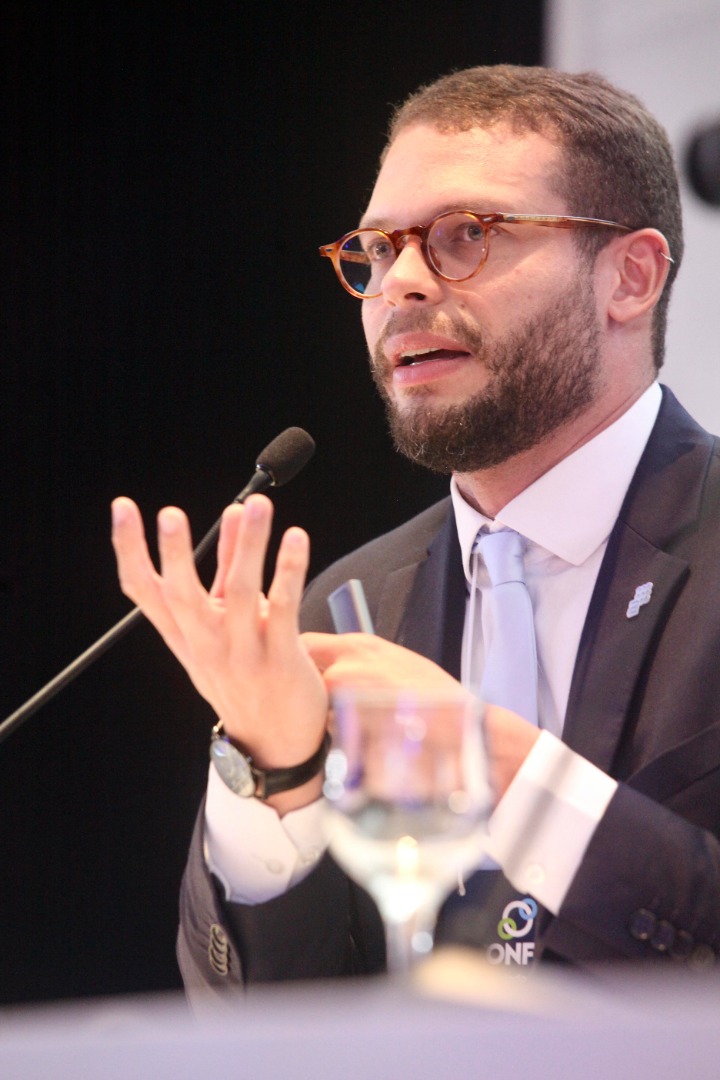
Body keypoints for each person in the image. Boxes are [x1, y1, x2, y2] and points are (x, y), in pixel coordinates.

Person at [112, 65, 720, 994]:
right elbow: (256, 1028)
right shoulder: (344, 609)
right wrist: (273, 783)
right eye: (375, 250)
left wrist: (505, 768)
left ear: (629, 277)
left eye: (465, 235)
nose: (397, 285)